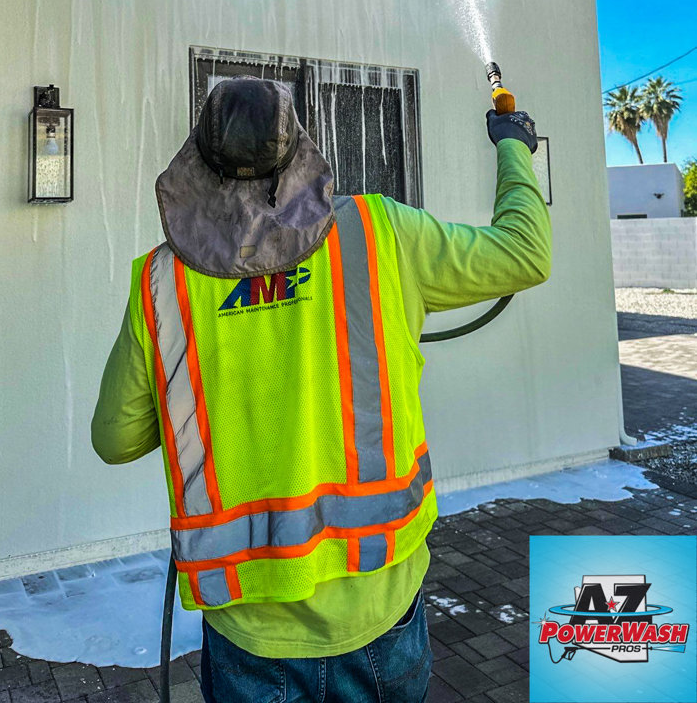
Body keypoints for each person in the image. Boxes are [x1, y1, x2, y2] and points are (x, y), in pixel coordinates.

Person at [92, 76, 551, 703]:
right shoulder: (381, 232)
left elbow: (114, 440)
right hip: (380, 611)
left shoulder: (160, 281)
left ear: (196, 167)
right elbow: (526, 253)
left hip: (251, 632)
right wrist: (513, 145)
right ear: (301, 154)